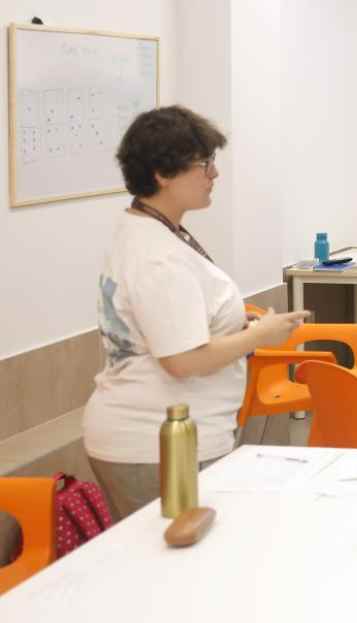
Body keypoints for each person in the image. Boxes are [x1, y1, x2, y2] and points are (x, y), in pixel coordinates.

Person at [84, 105, 308, 519]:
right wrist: (261, 335)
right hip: (156, 442)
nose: (214, 175)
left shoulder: (150, 229)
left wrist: (242, 327)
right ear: (163, 174)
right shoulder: (157, 256)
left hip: (154, 433)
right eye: (204, 164)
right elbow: (182, 360)